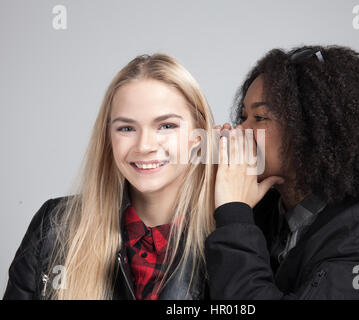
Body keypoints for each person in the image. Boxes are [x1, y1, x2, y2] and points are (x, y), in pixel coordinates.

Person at [207, 45, 359, 299]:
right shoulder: (260, 212)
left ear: (308, 130)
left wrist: (233, 214)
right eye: (243, 118)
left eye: (259, 118)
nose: (239, 131)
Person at [4, 53, 216, 300]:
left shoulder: (227, 234)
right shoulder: (53, 227)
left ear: (198, 136)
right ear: (108, 139)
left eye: (166, 126)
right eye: (126, 128)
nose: (145, 145)